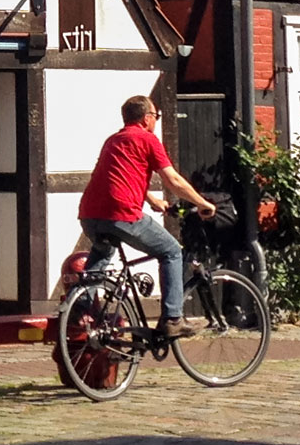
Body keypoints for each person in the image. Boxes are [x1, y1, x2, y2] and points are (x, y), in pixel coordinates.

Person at [76, 96, 220, 335]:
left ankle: (79, 309)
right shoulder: (147, 139)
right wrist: (203, 203)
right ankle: (173, 318)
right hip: (121, 214)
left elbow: (118, 177)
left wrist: (152, 200)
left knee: (101, 257)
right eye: (156, 116)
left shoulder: (113, 140)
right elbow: (173, 180)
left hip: (90, 215)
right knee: (172, 251)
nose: (156, 121)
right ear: (147, 118)